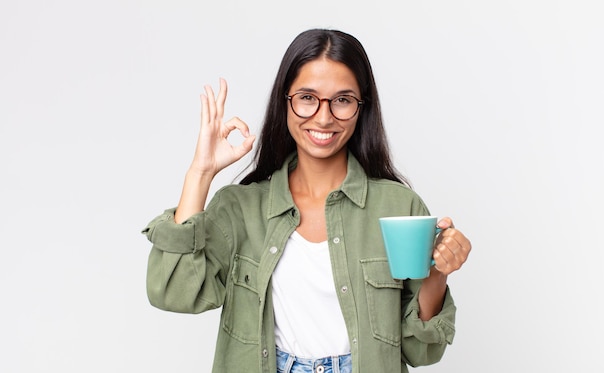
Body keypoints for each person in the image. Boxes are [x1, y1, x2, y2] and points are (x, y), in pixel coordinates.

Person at [142, 28, 472, 373]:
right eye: (307, 98)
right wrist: (200, 173)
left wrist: (438, 273)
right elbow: (173, 292)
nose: (324, 116)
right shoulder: (240, 209)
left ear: (362, 108)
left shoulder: (398, 207)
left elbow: (421, 352)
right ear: (285, 100)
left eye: (342, 100)